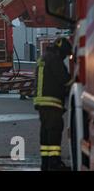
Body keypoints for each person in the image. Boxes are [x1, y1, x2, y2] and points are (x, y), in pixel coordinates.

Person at [34, 37, 72, 171]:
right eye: (65, 54)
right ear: (60, 51)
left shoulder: (43, 58)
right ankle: (54, 163)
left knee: (45, 134)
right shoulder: (54, 60)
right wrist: (76, 78)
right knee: (54, 133)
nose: (64, 57)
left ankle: (46, 164)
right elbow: (65, 80)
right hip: (52, 102)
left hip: (42, 103)